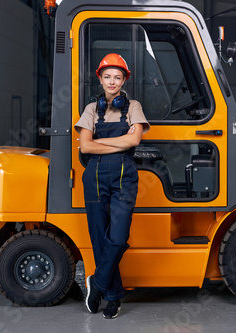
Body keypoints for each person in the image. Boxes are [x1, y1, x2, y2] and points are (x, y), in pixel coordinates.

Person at [74, 53, 149, 319]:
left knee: (117, 239)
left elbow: (135, 141)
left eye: (117, 77)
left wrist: (100, 143)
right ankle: (114, 297)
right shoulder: (91, 109)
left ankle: (97, 285)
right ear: (100, 79)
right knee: (99, 240)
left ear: (124, 79)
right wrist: (120, 140)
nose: (112, 81)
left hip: (124, 178)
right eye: (107, 77)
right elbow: (85, 146)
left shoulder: (133, 107)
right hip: (94, 178)